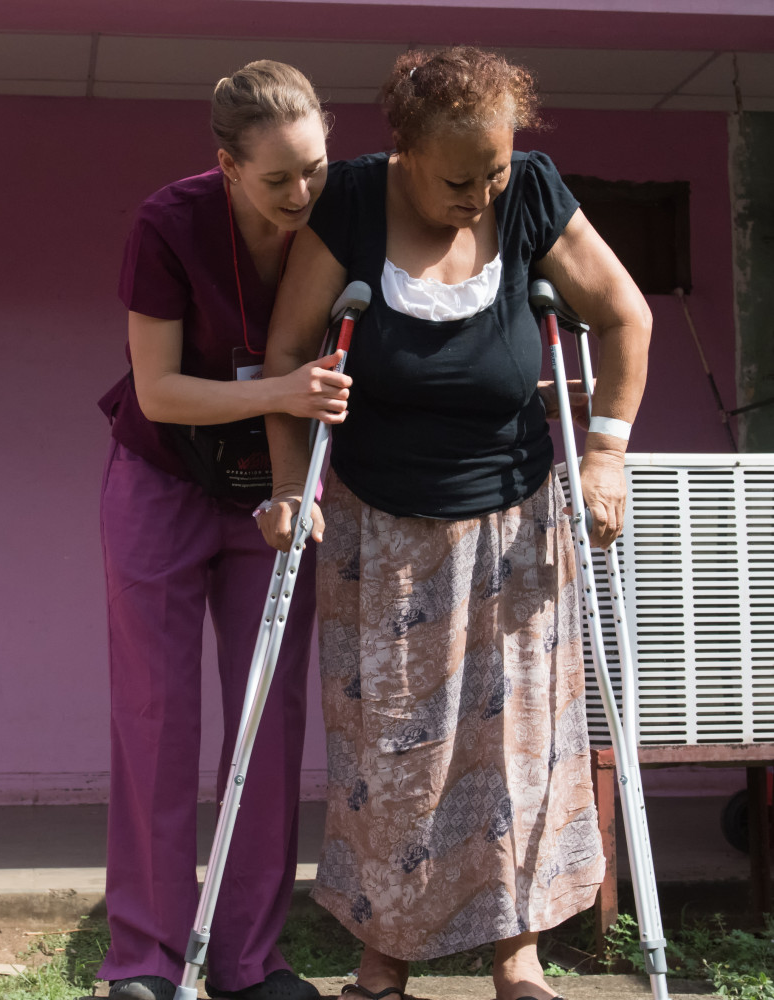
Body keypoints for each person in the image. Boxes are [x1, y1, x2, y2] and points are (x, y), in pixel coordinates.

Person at [258, 46, 651, 1000]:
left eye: (497, 171)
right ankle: (382, 956)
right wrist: (289, 491)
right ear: (405, 150)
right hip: (377, 530)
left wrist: (604, 452)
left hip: (515, 522)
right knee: (389, 749)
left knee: (517, 749)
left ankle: (517, 955)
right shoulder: (350, 201)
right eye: (458, 177)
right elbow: (288, 356)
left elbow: (625, 316)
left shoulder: (531, 198)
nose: (480, 193)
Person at [96, 60, 353, 1000]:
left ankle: (249, 962)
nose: (301, 194)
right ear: (228, 166)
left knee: (267, 717)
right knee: (156, 718)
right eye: (278, 177)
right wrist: (286, 387)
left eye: (315, 169)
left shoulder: (338, 214)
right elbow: (158, 388)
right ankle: (145, 961)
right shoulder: (169, 223)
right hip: (162, 477)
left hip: (278, 485)